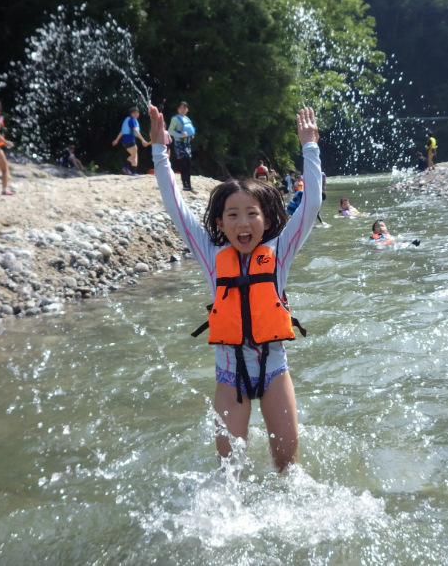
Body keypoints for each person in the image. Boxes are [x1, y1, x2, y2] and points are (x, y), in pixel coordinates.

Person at [150, 104, 322, 472]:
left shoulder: (280, 252)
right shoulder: (211, 256)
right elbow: (176, 207)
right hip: (230, 378)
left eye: (252, 213)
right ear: (220, 223)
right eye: (233, 214)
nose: (243, 223)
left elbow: (311, 204)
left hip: (275, 371)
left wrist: (310, 146)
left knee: (288, 470)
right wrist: (159, 153)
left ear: (268, 219)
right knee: (229, 472)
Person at [112, 106, 150, 175]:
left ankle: (126, 167)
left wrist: (116, 140)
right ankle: (133, 171)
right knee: (135, 154)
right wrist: (143, 140)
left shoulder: (128, 120)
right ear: (131, 114)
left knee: (133, 154)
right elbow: (135, 131)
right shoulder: (132, 120)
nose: (136, 114)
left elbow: (122, 131)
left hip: (124, 141)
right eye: (134, 113)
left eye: (137, 112)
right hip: (130, 139)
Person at [168, 101, 196, 191]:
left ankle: (186, 185)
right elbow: (170, 131)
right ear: (178, 109)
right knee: (186, 163)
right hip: (179, 144)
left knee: (187, 165)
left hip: (187, 144)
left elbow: (190, 130)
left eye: (184, 108)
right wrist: (181, 134)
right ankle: (187, 185)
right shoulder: (175, 119)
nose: (183, 110)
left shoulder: (187, 119)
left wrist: (191, 135)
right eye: (181, 108)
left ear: (187, 109)